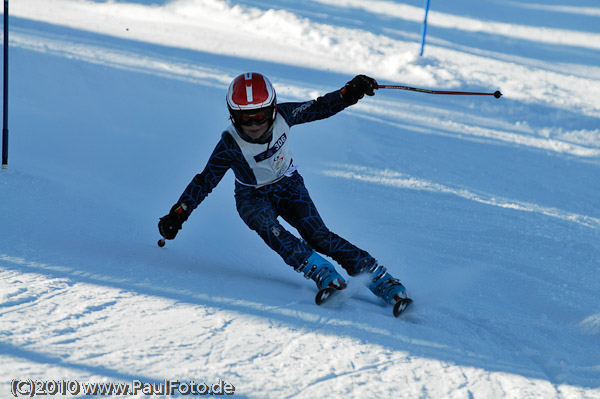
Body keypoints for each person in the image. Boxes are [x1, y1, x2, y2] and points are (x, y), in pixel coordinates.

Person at [158, 72, 410, 310]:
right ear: (233, 115)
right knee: (270, 228)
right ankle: (321, 271)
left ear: (274, 108)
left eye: (260, 115)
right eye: (245, 118)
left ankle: (378, 277)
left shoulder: (285, 115)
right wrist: (178, 214)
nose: (254, 124)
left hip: (289, 184)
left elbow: (319, 107)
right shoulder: (229, 144)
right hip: (252, 198)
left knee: (318, 236)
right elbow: (204, 181)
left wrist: (350, 92)